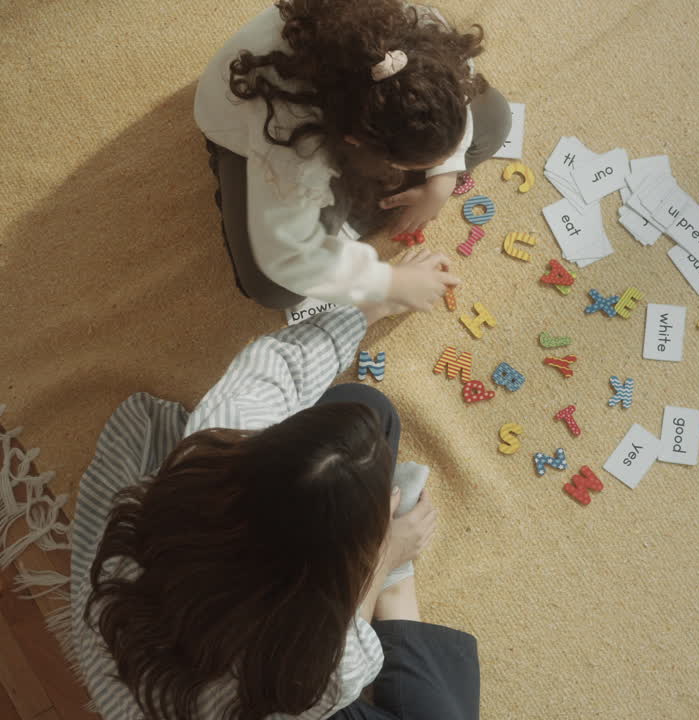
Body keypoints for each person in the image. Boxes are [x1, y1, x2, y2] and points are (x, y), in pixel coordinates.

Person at [69, 289, 479, 719]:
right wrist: (385, 560)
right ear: (332, 580)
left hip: (133, 651)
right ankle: (394, 584)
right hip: (237, 706)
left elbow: (281, 362)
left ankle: (382, 553)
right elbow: (345, 657)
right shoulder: (319, 667)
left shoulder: (212, 441)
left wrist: (374, 303)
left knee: (370, 414)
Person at [195, 0, 511, 309]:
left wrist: (445, 175)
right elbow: (284, 256)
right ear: (354, 143)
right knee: (274, 290)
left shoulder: (422, 38)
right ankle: (271, 200)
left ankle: (346, 217)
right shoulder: (295, 147)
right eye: (406, 165)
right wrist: (390, 282)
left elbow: (459, 81)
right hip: (244, 132)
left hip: (350, 118)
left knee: (495, 116)